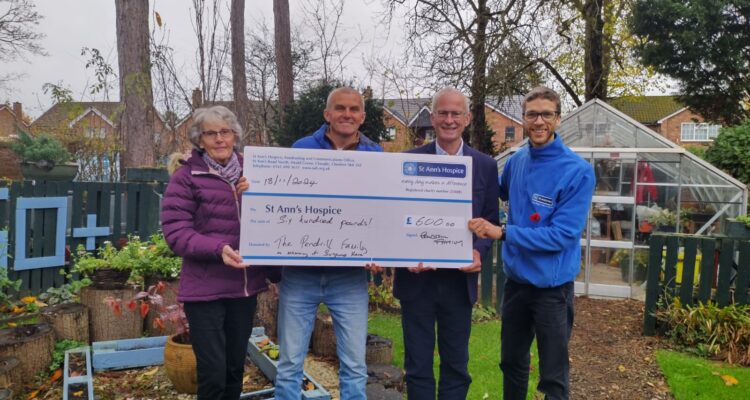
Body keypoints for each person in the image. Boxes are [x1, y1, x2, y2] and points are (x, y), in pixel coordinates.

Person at [468, 86, 595, 400]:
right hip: (517, 284)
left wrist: (503, 232)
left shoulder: (577, 171)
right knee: (511, 362)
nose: (539, 121)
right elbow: (492, 193)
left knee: (553, 374)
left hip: (552, 289)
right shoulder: (517, 161)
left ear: (558, 119)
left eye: (546, 114)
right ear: (523, 119)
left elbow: (562, 235)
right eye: (532, 114)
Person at [274, 87, 383, 400]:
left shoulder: (375, 155)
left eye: (353, 109)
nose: (347, 114)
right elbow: (282, 199)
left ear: (362, 116)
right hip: (301, 274)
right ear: (327, 114)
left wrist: (381, 250)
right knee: (290, 363)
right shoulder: (301, 149)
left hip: (349, 277)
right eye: (340, 108)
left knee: (355, 365)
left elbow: (382, 211)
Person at [393, 87, 500, 399]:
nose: (449, 120)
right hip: (417, 281)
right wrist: (404, 255)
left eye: (456, 114)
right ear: (433, 116)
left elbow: (490, 218)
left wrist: (478, 251)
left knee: (456, 366)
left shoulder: (485, 165)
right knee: (417, 366)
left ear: (467, 118)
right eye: (443, 113)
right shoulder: (407, 161)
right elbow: (394, 216)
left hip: (458, 282)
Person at [161, 105, 270, 400]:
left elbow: (275, 216)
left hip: (243, 288)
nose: (219, 139)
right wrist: (217, 248)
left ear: (235, 135)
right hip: (204, 290)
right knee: (212, 373)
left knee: (234, 370)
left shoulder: (256, 171)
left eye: (225, 132)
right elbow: (176, 232)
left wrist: (253, 197)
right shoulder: (186, 176)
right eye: (211, 134)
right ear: (200, 139)